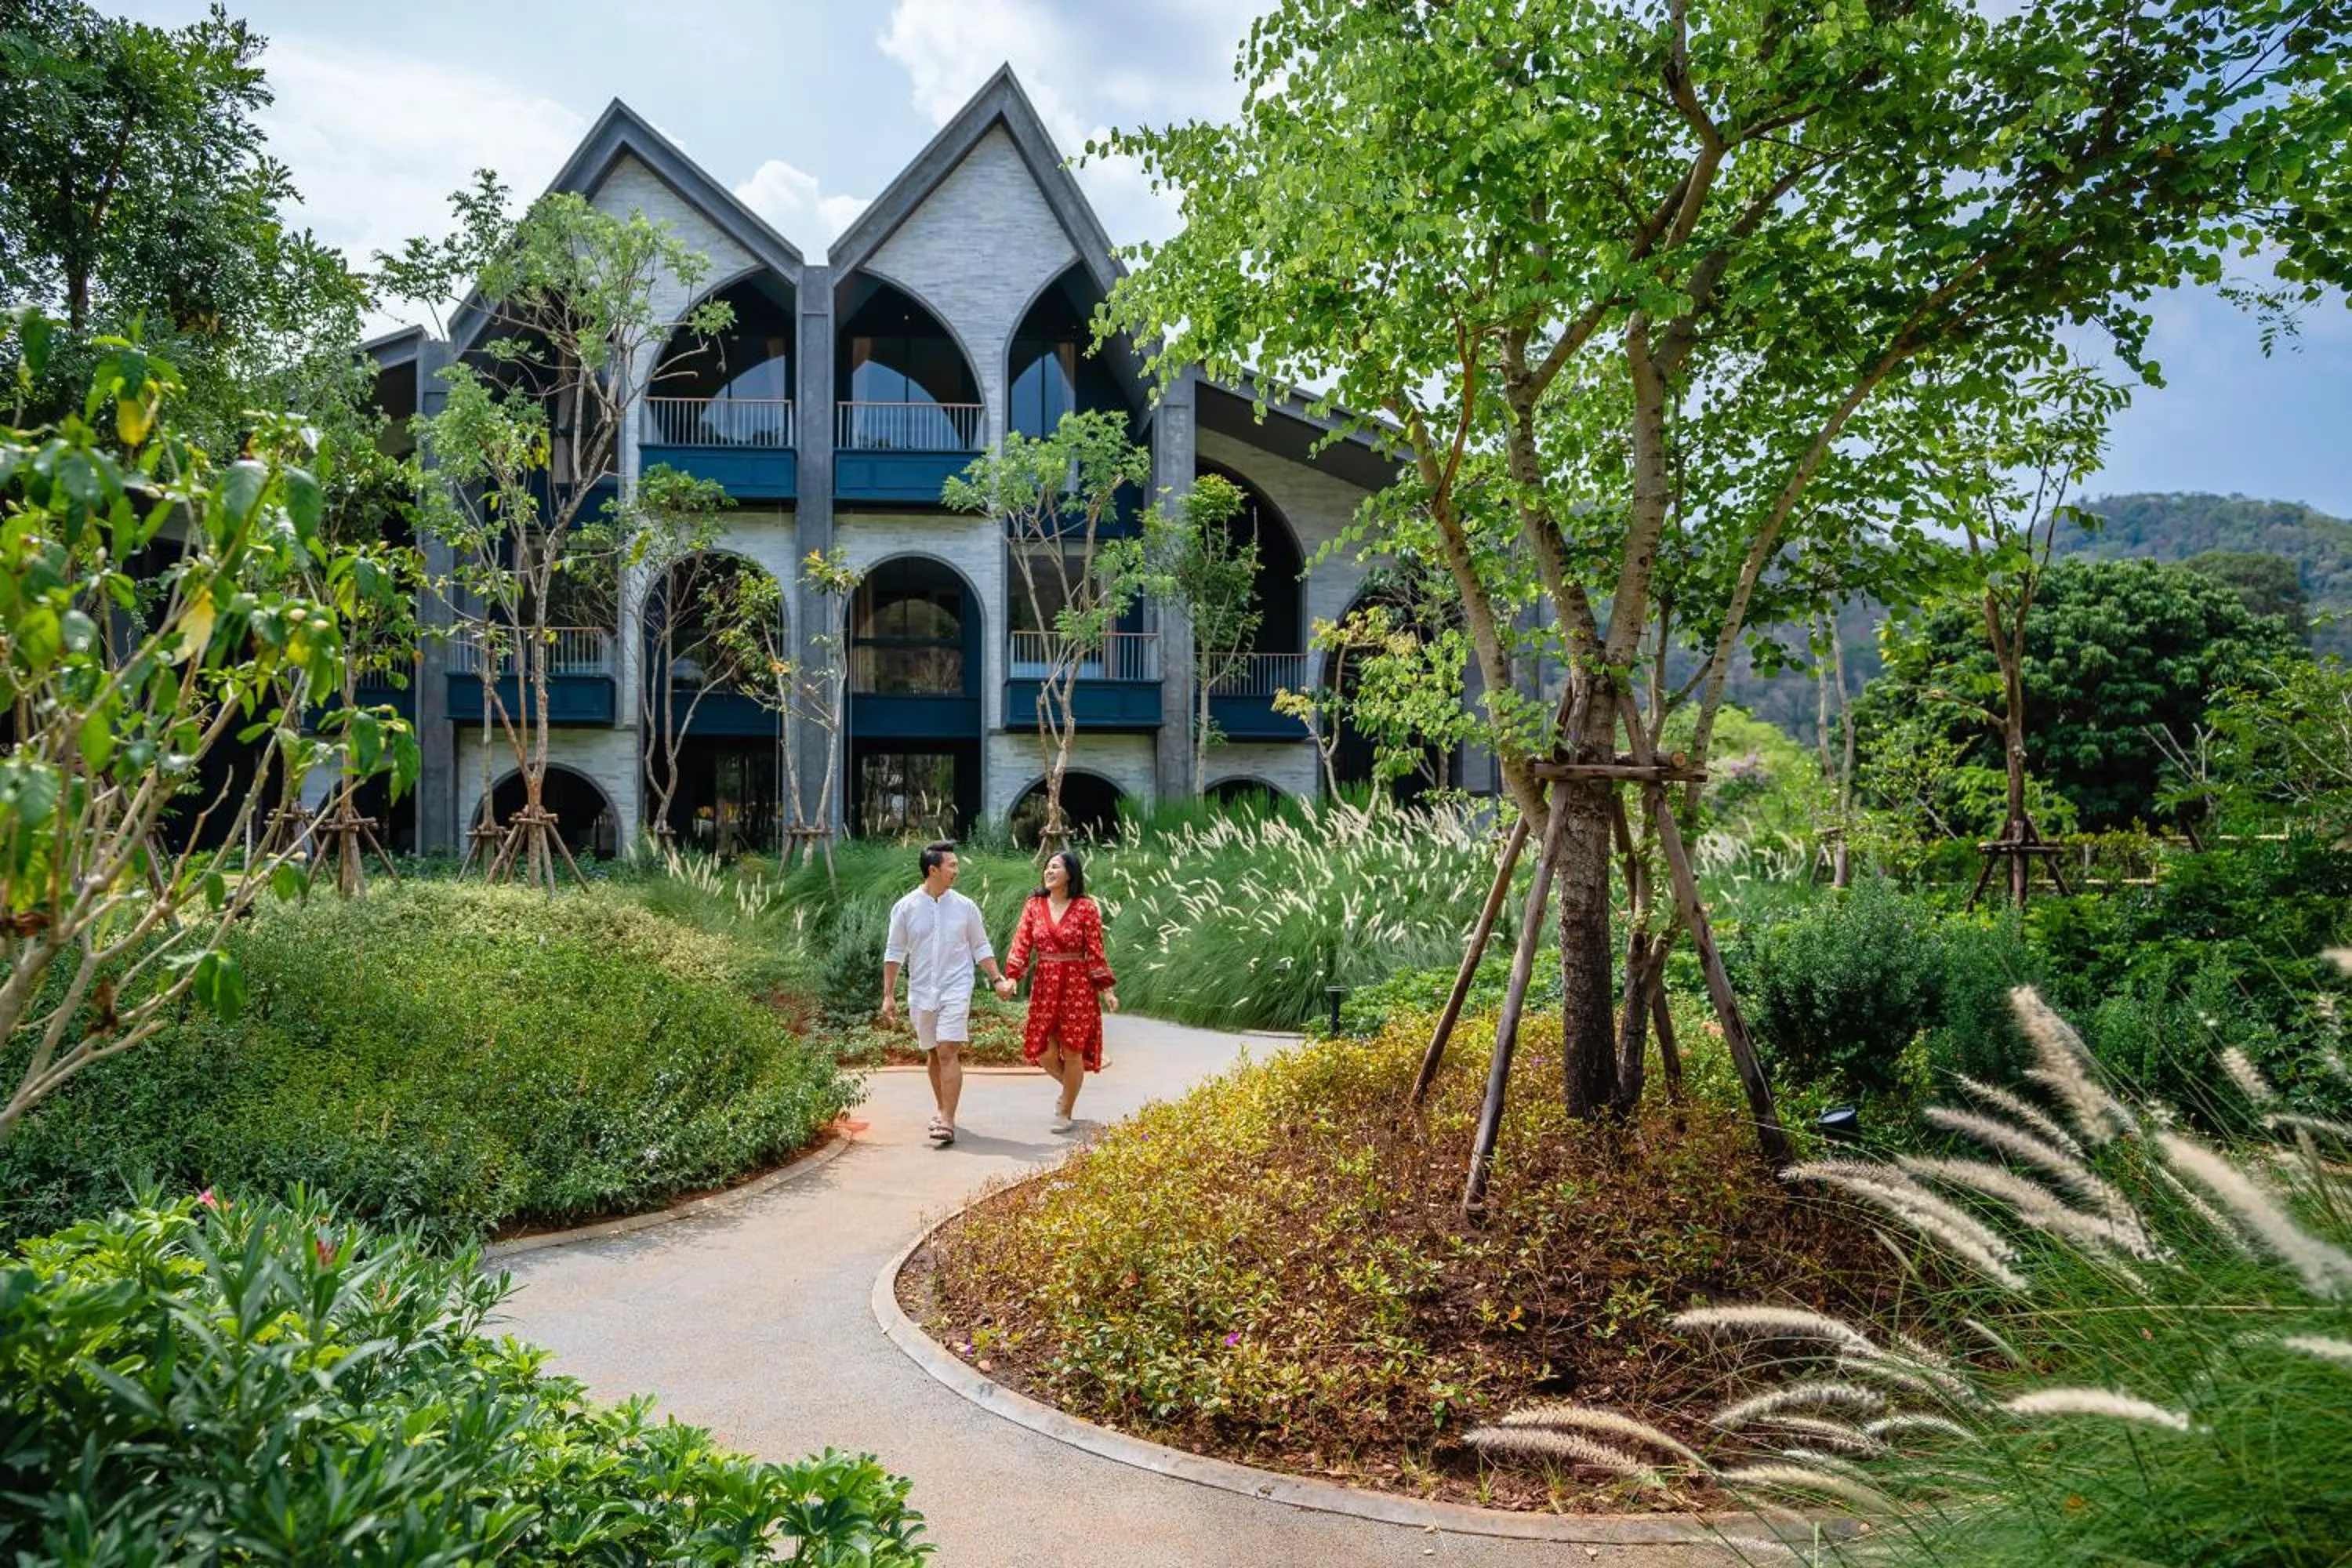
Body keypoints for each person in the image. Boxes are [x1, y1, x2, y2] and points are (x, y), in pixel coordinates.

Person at [882, 840, 1007, 1147]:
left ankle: (948, 1120)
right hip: (921, 989)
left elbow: (980, 945)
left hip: (956, 986)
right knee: (933, 1052)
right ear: (933, 870)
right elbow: (894, 952)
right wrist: (888, 995)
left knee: (948, 1049)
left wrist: (997, 979)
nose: (957, 870)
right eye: (952, 865)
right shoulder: (905, 907)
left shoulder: (965, 907)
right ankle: (942, 1109)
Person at [996, 849, 1118, 1132]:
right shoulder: (1034, 906)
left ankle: (1065, 1110)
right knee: (1044, 1052)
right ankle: (1070, 1088)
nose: (1049, 871)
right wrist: (1012, 977)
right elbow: (1021, 944)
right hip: (1046, 985)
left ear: (1070, 874)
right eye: (1047, 867)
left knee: (1073, 1051)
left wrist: (1107, 991)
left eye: (1056, 867)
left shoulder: (1086, 908)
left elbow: (1095, 952)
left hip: (1078, 987)